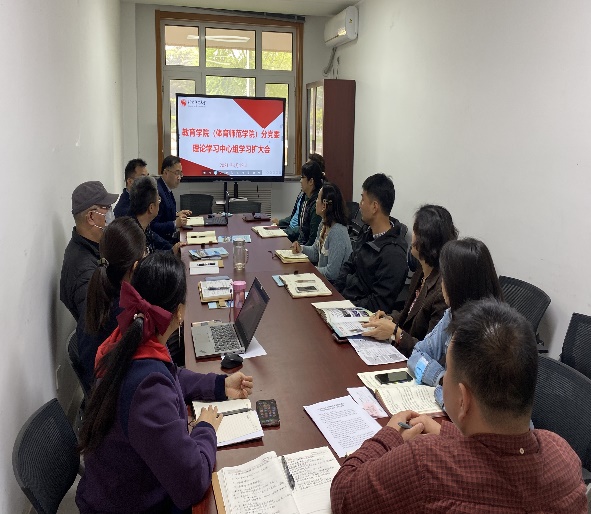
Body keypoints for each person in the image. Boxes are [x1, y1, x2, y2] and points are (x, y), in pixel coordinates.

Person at [330, 299, 588, 514]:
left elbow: (345, 495)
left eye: (448, 372)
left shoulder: (425, 464)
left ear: (463, 400)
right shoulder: (564, 456)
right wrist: (444, 431)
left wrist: (388, 436)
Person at [76, 252, 254, 513]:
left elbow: (171, 374)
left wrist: (219, 385)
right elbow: (192, 482)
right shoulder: (147, 390)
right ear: (180, 313)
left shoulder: (129, 338)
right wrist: (205, 428)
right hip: (134, 504)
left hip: (124, 486)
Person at [406, 237, 503, 407]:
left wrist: (443, 389)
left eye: (445, 278)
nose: (442, 285)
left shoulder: (489, 337)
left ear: (458, 284)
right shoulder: (453, 314)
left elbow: (464, 404)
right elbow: (417, 354)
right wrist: (442, 378)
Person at [362, 205, 458, 356]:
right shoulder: (421, 271)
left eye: (415, 232)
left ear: (425, 240)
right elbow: (408, 315)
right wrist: (388, 318)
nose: (412, 237)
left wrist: (395, 333)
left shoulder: (441, 291)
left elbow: (430, 352)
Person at [76, 217, 146, 393]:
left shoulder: (99, 293)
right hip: (118, 396)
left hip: (103, 390)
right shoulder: (125, 315)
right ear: (135, 267)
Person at [333, 173, 407, 312]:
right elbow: (348, 266)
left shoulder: (394, 254)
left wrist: (343, 306)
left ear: (374, 207)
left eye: (363, 199)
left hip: (360, 316)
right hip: (344, 302)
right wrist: (334, 294)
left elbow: (378, 304)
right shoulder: (367, 232)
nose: (360, 205)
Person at [60, 181, 118, 321]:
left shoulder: (94, 246)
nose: (111, 213)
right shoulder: (83, 271)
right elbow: (97, 324)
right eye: (107, 208)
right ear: (91, 216)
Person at [291, 181, 352, 282]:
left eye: (318, 198)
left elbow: (332, 273)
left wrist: (309, 270)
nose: (316, 201)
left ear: (324, 205)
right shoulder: (323, 225)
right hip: (322, 281)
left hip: (334, 286)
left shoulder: (337, 232)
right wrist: (301, 248)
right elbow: (315, 253)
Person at [272, 153, 325, 240]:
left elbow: (306, 233)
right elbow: (295, 218)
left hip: (295, 236)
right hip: (294, 234)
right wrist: (280, 222)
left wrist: (284, 233)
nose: (300, 181)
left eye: (302, 177)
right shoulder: (304, 194)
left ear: (311, 180)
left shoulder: (316, 202)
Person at [128, 175, 184, 255]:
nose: (159, 203)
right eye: (159, 199)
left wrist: (172, 249)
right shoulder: (133, 236)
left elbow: (157, 240)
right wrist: (171, 252)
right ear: (151, 208)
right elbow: (148, 260)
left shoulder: (143, 225)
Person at [152, 155, 191, 244]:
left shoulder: (166, 188)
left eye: (181, 173)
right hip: (163, 243)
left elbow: (164, 214)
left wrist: (176, 214)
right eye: (177, 173)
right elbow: (153, 226)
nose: (179, 177)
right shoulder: (157, 192)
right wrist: (175, 224)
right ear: (166, 172)